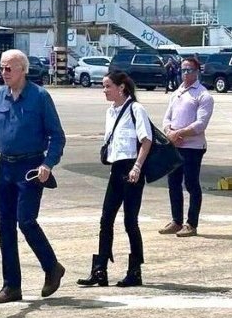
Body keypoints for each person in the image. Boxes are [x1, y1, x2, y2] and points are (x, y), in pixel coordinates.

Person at [0, 49, 66, 304]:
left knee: (26, 220)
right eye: (2, 68)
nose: (4, 73)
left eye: (9, 68)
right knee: (5, 225)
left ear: (23, 69)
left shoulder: (40, 97)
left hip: (31, 167)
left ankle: (52, 267)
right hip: (5, 167)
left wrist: (48, 164)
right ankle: (12, 286)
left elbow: (57, 136)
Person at [77, 71, 152, 288]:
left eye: (108, 86)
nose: (104, 90)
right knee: (106, 218)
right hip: (116, 168)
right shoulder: (110, 112)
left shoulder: (136, 109)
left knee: (130, 221)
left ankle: (135, 271)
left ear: (121, 88)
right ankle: (100, 269)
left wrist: (137, 167)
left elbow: (146, 141)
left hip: (132, 168)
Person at [159, 57, 213, 237]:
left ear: (197, 71)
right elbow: (167, 118)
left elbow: (200, 124)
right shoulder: (177, 93)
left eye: (189, 70)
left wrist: (179, 133)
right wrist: (169, 132)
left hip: (193, 147)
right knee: (173, 183)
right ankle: (176, 220)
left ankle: (192, 223)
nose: (186, 73)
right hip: (174, 144)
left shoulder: (203, 95)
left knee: (191, 183)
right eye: (183, 70)